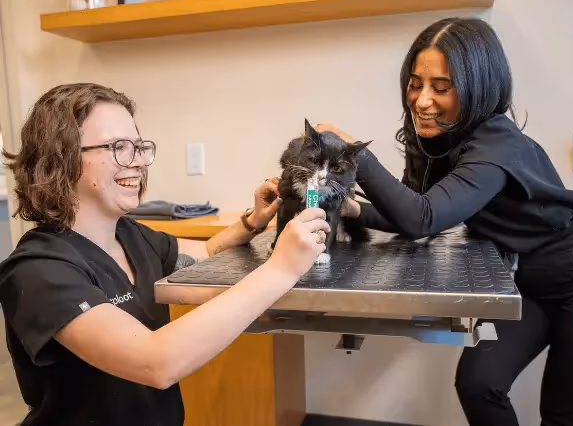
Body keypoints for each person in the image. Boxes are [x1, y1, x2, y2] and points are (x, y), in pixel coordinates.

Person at [318, 17, 573, 426]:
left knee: (565, 415)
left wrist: (354, 154)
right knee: (478, 384)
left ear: (478, 85)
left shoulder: (495, 144)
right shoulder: (440, 138)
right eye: (416, 84)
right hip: (527, 283)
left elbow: (422, 218)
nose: (422, 100)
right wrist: (355, 210)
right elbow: (415, 206)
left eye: (442, 87)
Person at [0, 83, 330, 426]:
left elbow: (204, 251)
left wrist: (252, 221)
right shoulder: (39, 271)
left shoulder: (130, 234)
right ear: (62, 158)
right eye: (119, 147)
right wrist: (281, 269)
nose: (140, 162)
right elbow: (154, 362)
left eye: (140, 147)